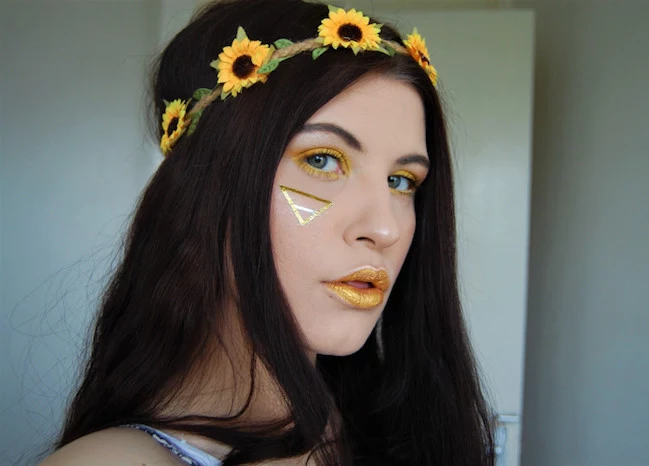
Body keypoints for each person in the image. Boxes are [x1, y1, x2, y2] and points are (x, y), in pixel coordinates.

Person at [40, 0, 494, 464]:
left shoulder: (397, 433)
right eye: (321, 160)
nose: (383, 229)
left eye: (402, 181)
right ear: (203, 191)